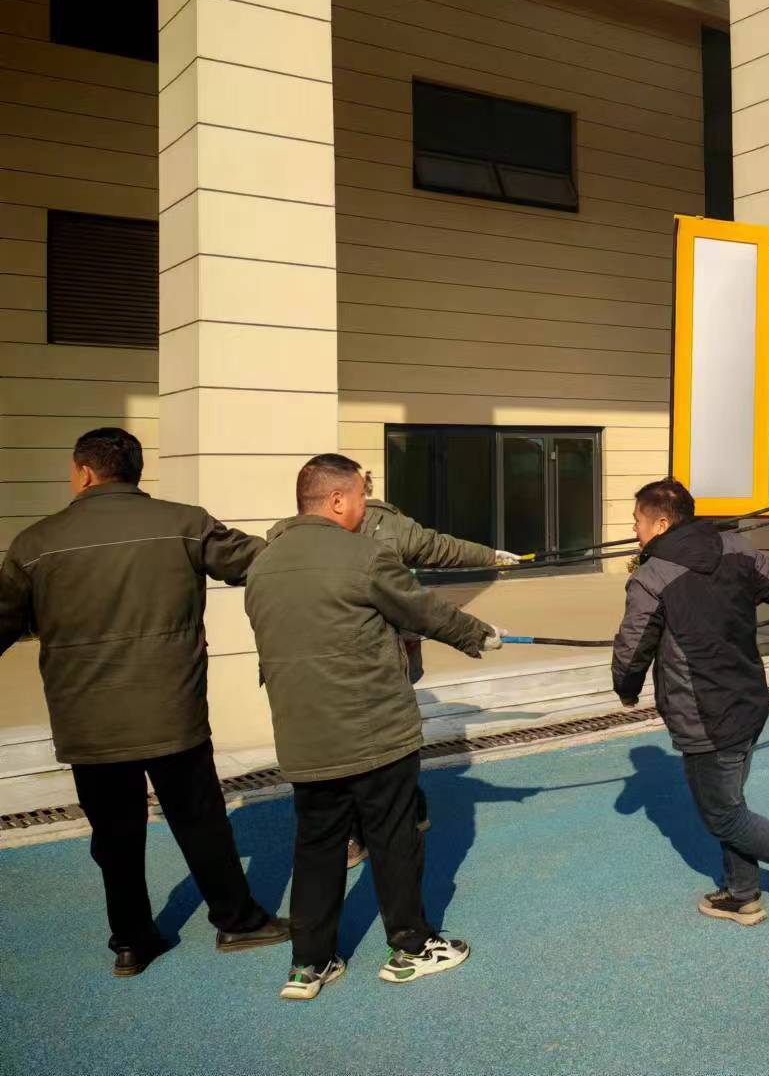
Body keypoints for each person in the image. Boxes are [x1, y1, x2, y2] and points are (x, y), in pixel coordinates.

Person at [0, 428, 288, 976]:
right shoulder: (185, 523)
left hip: (88, 721)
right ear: (135, 472)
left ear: (84, 472)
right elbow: (264, 563)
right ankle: (239, 922)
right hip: (173, 713)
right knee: (201, 821)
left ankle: (132, 942)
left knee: (115, 835)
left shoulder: (35, 544)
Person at [244, 454, 500, 1000]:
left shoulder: (263, 564)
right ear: (337, 499)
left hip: (304, 736)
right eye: (361, 496)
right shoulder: (363, 555)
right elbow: (420, 609)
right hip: (375, 730)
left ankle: (309, 964)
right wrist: (478, 634)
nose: (366, 508)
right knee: (394, 839)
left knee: (317, 846)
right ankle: (411, 948)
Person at [612, 478, 769, 926]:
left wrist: (626, 688)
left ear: (661, 524)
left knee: (723, 816)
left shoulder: (651, 578)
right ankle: (741, 894)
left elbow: (633, 648)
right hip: (747, 700)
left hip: (704, 714)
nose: (634, 529)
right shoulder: (734, 547)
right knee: (731, 802)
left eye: (637, 520)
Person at [343, 466, 520, 869]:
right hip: (353, 653)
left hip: (390, 651)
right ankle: (369, 823)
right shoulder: (323, 535)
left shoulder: (387, 524)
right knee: (361, 743)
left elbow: (438, 550)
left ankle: (403, 810)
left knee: (388, 740)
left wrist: (489, 556)